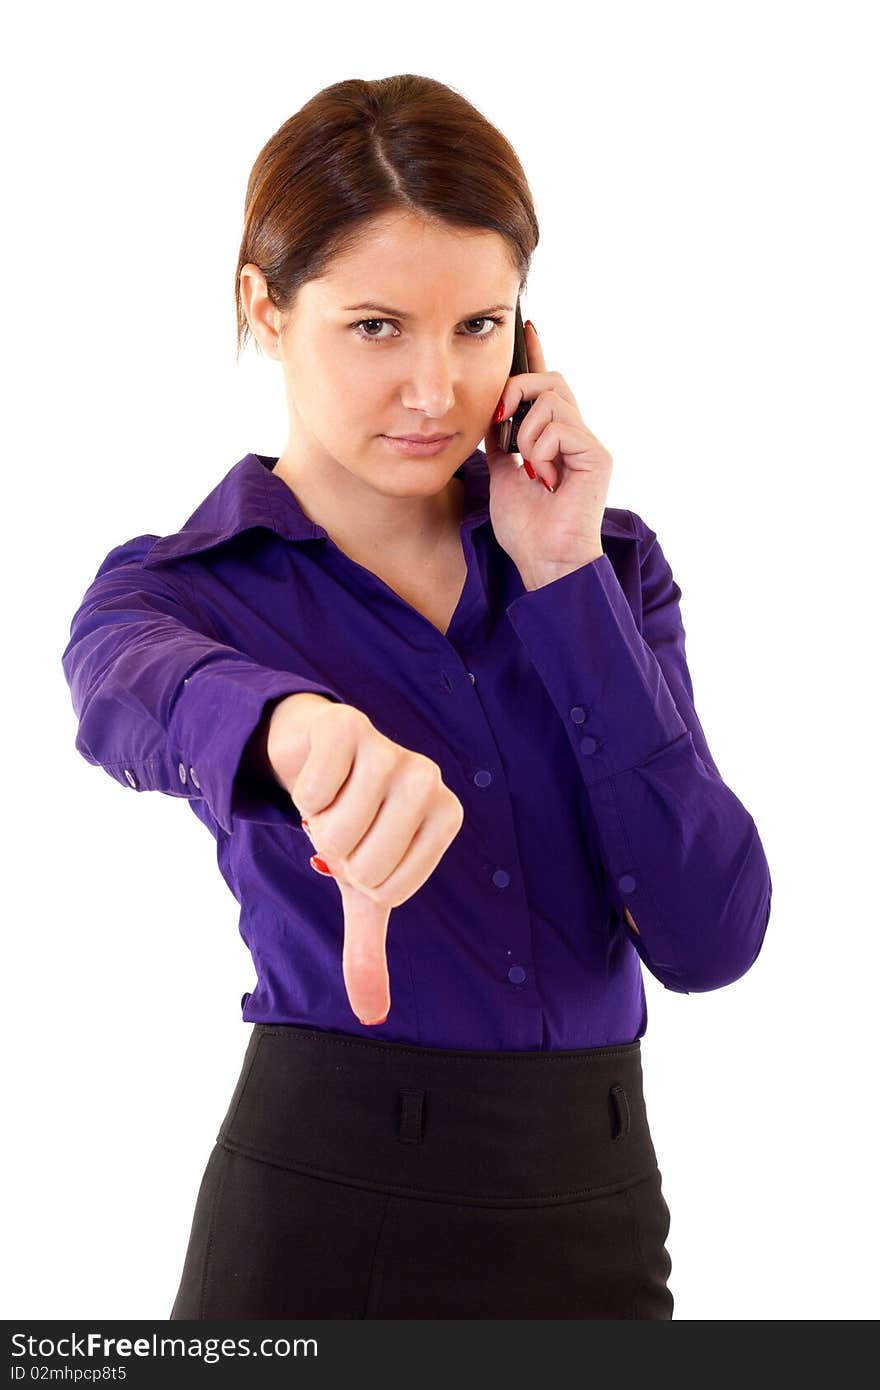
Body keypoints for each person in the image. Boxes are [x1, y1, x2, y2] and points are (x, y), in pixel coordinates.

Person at [60, 74, 773, 1320]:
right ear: (265, 310)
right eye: (378, 327)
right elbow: (128, 698)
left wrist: (559, 575)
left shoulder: (606, 568)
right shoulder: (175, 594)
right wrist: (289, 729)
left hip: (599, 1205)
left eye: (479, 327)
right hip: (326, 1210)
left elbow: (711, 937)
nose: (437, 390)